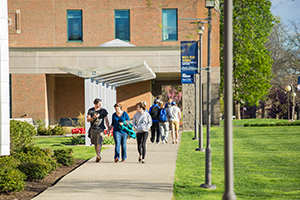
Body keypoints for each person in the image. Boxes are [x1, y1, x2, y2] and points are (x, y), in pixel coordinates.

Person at [87, 98, 110, 162]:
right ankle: (97, 155)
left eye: (100, 104)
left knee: (99, 142)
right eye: (98, 104)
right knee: (95, 143)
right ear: (95, 104)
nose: (100, 105)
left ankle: (98, 155)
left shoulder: (103, 111)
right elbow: (88, 119)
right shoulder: (90, 110)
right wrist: (93, 117)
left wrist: (108, 128)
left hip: (100, 129)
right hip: (93, 129)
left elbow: (106, 120)